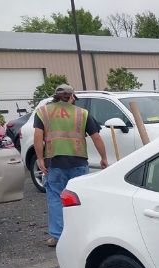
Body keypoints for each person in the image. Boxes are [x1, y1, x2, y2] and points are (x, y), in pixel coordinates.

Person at [33, 84, 109, 247]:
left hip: (54, 162)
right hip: (78, 161)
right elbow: (96, 137)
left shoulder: (43, 112)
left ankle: (57, 236)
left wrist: (40, 159)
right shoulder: (82, 113)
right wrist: (103, 158)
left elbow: (38, 137)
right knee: (79, 197)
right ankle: (82, 233)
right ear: (71, 97)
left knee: (55, 197)